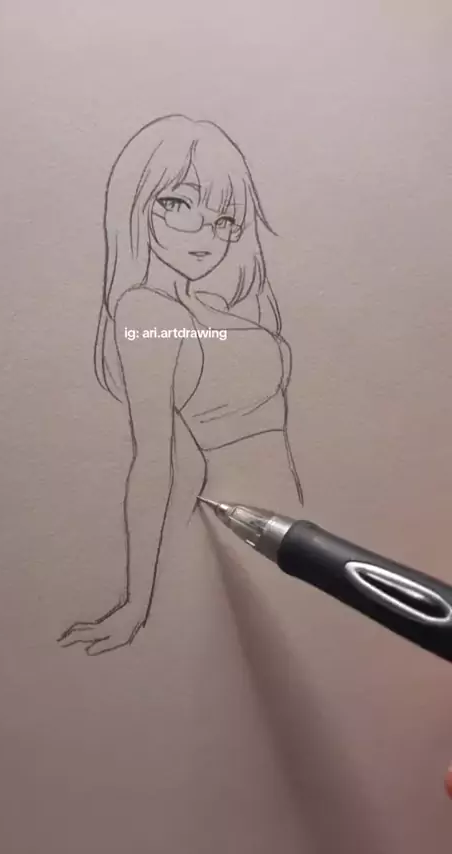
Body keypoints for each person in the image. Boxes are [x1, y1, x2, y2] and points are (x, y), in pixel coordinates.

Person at [59, 114, 303, 655]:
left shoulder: (210, 305)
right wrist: (136, 603)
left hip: (288, 521)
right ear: (137, 204)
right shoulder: (144, 312)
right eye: (178, 204)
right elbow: (155, 460)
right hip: (231, 528)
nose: (205, 232)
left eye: (224, 218)